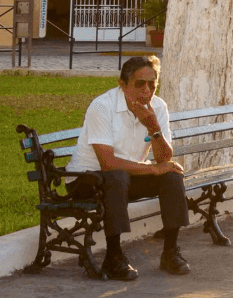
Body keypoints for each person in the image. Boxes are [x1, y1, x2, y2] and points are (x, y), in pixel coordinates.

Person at [66, 55, 192, 280]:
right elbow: (108, 163)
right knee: (117, 177)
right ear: (122, 84)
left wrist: (153, 127)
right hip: (85, 179)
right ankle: (113, 258)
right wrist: (152, 169)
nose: (147, 90)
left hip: (125, 176)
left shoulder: (158, 106)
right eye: (139, 84)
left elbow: (164, 159)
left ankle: (171, 252)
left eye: (152, 84)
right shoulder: (102, 106)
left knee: (172, 175)